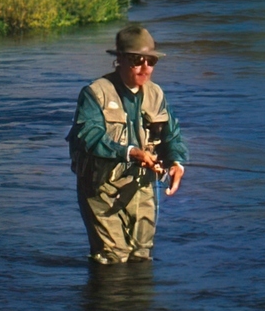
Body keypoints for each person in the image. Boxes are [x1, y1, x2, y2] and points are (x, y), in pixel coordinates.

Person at [67, 25, 188, 264]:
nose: (145, 68)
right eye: (136, 60)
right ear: (118, 60)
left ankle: (139, 302)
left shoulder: (157, 94)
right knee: (113, 258)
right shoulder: (95, 94)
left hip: (142, 187)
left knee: (142, 257)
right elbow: (89, 136)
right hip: (101, 189)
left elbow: (172, 136)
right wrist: (131, 152)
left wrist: (176, 163)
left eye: (151, 61)